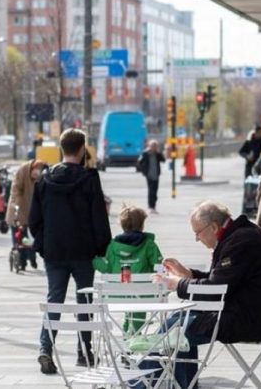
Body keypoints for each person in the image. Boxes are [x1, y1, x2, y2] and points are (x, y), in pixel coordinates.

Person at [151, 201, 261, 389]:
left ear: (213, 227)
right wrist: (189, 275)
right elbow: (224, 280)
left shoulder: (240, 242)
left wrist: (177, 284)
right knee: (178, 323)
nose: (197, 239)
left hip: (251, 319)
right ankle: (172, 384)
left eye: (197, 232)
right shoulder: (237, 236)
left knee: (176, 330)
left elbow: (216, 289)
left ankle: (142, 382)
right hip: (245, 312)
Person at [29, 128, 111, 375]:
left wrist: (43, 245)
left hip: (55, 250)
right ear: (82, 149)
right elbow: (98, 216)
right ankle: (84, 353)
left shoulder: (44, 179)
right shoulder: (89, 179)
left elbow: (34, 219)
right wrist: (102, 247)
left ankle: (45, 348)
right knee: (84, 300)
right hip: (83, 251)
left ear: (61, 149)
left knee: (54, 298)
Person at [92, 204, 163, 332]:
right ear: (142, 225)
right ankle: (134, 336)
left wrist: (93, 260)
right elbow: (159, 267)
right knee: (137, 301)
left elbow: (106, 267)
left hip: (118, 293)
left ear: (122, 225)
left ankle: (128, 335)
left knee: (128, 294)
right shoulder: (149, 244)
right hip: (143, 293)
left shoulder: (113, 246)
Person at [5, 159, 48, 271]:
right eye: (35, 173)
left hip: (31, 210)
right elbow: (15, 189)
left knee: (29, 238)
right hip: (18, 208)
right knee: (19, 236)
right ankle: (21, 262)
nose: (36, 176)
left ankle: (32, 258)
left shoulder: (42, 177)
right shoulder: (22, 171)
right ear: (32, 168)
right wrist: (17, 205)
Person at [136, 140, 166, 214]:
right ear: (149, 146)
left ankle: (153, 207)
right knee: (151, 191)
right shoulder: (145, 153)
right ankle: (150, 207)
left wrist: (159, 152)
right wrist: (144, 172)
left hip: (156, 175)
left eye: (155, 146)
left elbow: (163, 160)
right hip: (149, 175)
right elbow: (139, 162)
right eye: (153, 146)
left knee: (155, 192)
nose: (154, 148)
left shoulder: (157, 154)